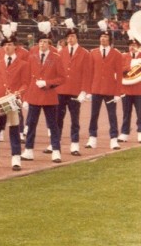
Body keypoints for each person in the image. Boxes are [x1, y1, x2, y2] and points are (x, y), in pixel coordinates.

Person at [22, 28, 67, 162]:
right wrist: (25, 97)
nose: (42, 44)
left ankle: (56, 150)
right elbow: (27, 78)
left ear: (49, 44)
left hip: (48, 95)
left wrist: (47, 83)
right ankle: (28, 150)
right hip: (34, 95)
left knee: (52, 125)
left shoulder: (56, 58)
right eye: (40, 41)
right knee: (31, 124)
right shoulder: (32, 57)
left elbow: (62, 78)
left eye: (45, 42)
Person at [0, 33, 29, 171]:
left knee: (14, 129)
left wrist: (19, 93)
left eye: (10, 45)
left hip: (13, 101)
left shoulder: (23, 64)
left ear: (15, 47)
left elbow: (25, 83)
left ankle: (16, 159)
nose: (7, 47)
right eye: (5, 45)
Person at [55, 27, 91, 155]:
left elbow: (87, 74)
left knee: (75, 119)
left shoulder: (84, 53)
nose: (70, 39)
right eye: (68, 37)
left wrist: (84, 91)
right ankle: (55, 144)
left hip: (75, 91)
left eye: (73, 36)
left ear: (77, 38)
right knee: (58, 118)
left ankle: (74, 145)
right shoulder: (61, 52)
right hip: (61, 90)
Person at [85, 30, 122, 150]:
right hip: (96, 89)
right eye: (101, 37)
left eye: (105, 37)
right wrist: (88, 90)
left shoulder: (116, 54)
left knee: (112, 115)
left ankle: (114, 139)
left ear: (109, 39)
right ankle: (92, 138)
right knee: (94, 114)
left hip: (110, 89)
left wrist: (118, 93)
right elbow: (89, 72)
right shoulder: (93, 52)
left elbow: (119, 74)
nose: (103, 39)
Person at [120, 37, 141, 143]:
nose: (132, 47)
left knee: (140, 113)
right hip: (126, 89)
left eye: (134, 45)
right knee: (126, 113)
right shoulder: (124, 56)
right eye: (130, 46)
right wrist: (130, 65)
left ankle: (140, 133)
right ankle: (124, 133)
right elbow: (119, 69)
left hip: (139, 90)